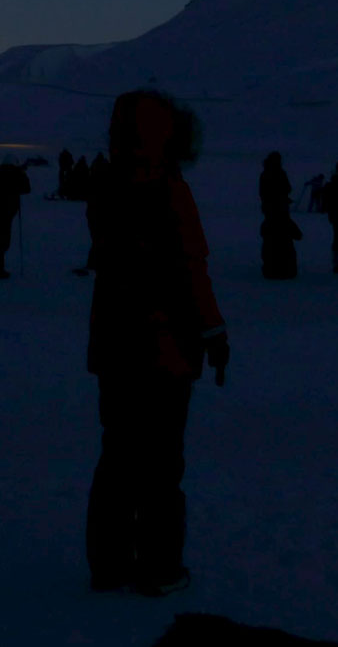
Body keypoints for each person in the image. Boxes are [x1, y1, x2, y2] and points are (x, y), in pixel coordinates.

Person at [84, 91, 228, 597]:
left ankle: (109, 562)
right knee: (161, 461)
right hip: (163, 348)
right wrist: (213, 332)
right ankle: (160, 567)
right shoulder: (168, 190)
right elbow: (191, 269)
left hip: (114, 344)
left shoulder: (105, 185)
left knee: (119, 454)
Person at [0, 159, 30, 279]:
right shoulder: (6, 178)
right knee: (0, 243)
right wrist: (21, 174)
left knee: (0, 243)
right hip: (0, 215)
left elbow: (24, 189)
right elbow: (25, 188)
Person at [257, 152, 299, 280]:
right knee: (280, 241)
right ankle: (281, 269)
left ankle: (276, 269)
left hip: (273, 210)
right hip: (276, 210)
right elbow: (286, 188)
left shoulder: (267, 174)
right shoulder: (277, 173)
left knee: (274, 241)